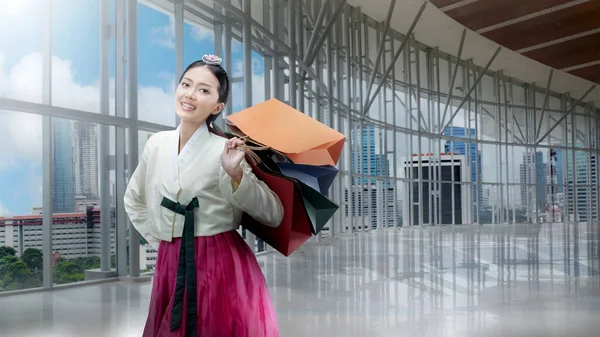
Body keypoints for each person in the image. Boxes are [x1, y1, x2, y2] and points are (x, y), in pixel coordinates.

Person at [124, 54, 283, 337]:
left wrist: (235, 174)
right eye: (186, 84)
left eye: (204, 90)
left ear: (218, 106)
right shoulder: (156, 144)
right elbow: (133, 199)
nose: (190, 94)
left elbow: (273, 213)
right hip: (171, 258)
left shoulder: (226, 149)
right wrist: (163, 239)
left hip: (219, 260)